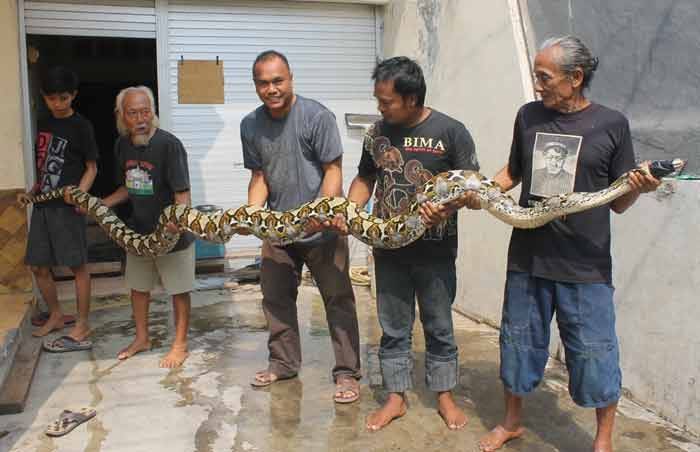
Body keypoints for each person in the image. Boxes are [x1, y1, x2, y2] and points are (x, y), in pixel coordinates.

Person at [477, 36, 662, 452]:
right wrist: (481, 191)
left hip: (585, 265)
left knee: (595, 352)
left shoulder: (612, 124)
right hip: (528, 258)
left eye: (544, 76)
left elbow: (620, 201)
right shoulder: (528, 116)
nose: (537, 83)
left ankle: (602, 440)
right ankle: (511, 423)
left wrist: (640, 188)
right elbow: (514, 171)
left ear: (575, 78)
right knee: (518, 343)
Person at [328, 56, 480, 430]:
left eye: (386, 101)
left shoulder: (451, 131)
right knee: (393, 327)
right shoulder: (377, 133)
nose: (380, 107)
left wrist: (446, 208)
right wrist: (350, 211)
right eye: (378, 100)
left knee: (439, 326)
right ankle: (396, 397)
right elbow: (365, 180)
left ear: (411, 98)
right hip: (389, 248)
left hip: (436, 251)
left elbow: (474, 191)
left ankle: (444, 395)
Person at [240, 50, 362, 403]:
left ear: (290, 77)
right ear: (256, 86)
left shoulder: (317, 116)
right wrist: (252, 213)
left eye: (278, 81)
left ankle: (347, 373)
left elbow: (333, 170)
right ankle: (283, 363)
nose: (271, 89)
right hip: (278, 229)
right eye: (263, 83)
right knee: (275, 298)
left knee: (338, 300)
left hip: (322, 230)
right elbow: (259, 176)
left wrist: (322, 210)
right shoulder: (250, 124)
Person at [98, 86, 194, 368]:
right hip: (139, 232)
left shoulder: (169, 145)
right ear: (121, 116)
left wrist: (179, 220)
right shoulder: (122, 145)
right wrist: (101, 204)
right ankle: (142, 338)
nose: (141, 118)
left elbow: (182, 194)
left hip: (171, 233)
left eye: (146, 111)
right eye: (133, 113)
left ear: (153, 112)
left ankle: (180, 344)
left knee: (178, 290)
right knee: (138, 288)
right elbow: (128, 187)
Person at [17, 66, 98, 351]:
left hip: (68, 209)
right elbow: (41, 165)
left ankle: (83, 321)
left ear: (73, 95)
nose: (58, 104)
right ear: (44, 97)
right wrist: (31, 191)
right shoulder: (41, 123)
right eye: (52, 98)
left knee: (77, 266)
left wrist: (80, 194)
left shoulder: (82, 126)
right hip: (42, 207)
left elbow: (92, 167)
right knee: (38, 265)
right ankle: (55, 314)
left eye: (64, 98)